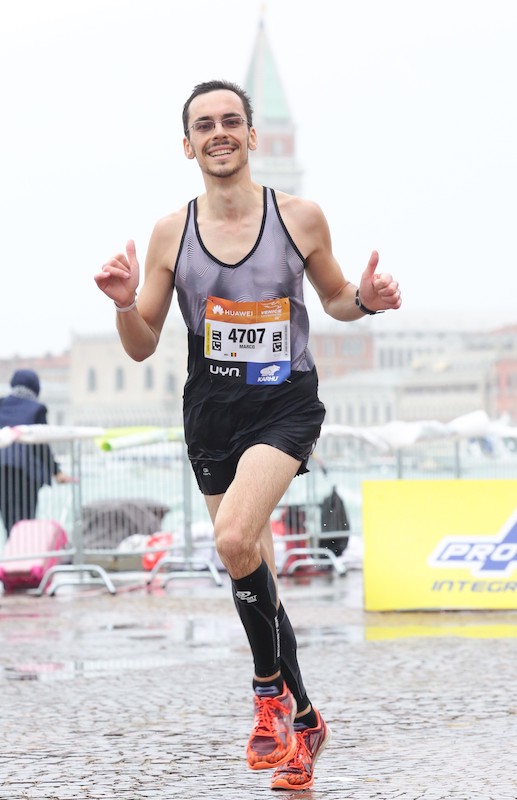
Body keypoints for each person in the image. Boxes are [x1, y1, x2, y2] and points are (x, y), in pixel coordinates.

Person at [94, 79, 402, 791]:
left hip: (283, 405)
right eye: (205, 124)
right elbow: (140, 344)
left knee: (233, 538)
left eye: (231, 120)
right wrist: (120, 305)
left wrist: (365, 301)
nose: (219, 132)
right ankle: (303, 724)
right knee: (252, 572)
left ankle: (266, 692)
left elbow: (331, 298)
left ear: (253, 135)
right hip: (211, 412)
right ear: (187, 145)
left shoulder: (298, 216)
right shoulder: (172, 232)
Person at [0, 369, 73, 538]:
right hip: (25, 473)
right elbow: (41, 444)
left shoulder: (1, 404)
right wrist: (57, 472)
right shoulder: (36, 409)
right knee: (25, 522)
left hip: (1, 470)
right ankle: (25, 559)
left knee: (9, 521)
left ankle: (12, 559)